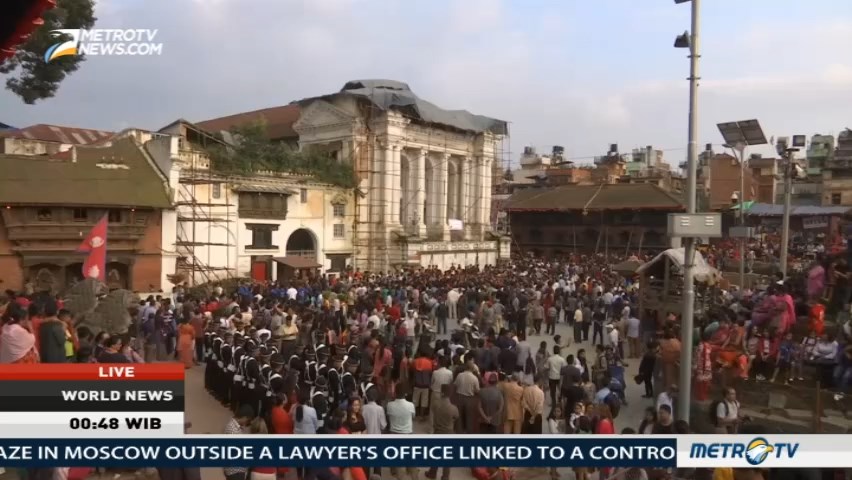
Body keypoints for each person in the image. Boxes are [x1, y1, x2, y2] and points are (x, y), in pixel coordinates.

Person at [426, 384, 457, 480]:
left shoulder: (436, 404)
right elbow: (456, 417)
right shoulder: (453, 408)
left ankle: (432, 473)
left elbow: (433, 413)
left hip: (438, 432)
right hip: (449, 433)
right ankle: (445, 476)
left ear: (441, 392)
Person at [386, 388, 417, 480]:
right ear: (406, 394)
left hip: (394, 433)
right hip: (407, 433)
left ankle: (396, 473)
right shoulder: (411, 405)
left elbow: (388, 417)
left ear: (395, 393)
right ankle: (413, 475)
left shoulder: (389, 405)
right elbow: (413, 417)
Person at [223, 405, 254, 480]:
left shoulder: (232, 425)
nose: (247, 423)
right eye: (248, 420)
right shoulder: (234, 431)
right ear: (245, 417)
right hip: (235, 471)